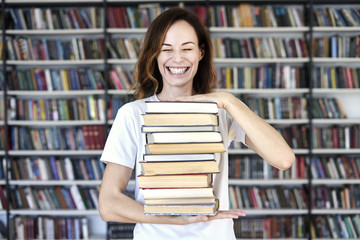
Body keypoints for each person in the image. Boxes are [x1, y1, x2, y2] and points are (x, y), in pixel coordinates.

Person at [98, 7, 295, 240]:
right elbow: (108, 204)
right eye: (166, 49)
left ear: (201, 53)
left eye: (187, 48)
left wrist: (227, 100)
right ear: (155, 55)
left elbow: (283, 159)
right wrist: (173, 219)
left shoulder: (221, 110)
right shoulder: (132, 114)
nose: (178, 58)